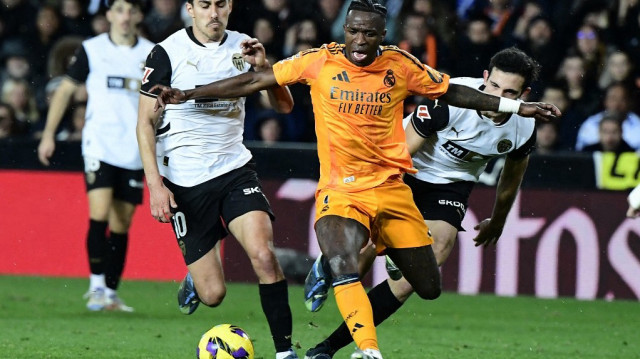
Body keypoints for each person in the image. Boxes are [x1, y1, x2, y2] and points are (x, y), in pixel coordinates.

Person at [151, 2, 560, 358]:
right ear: (343, 30)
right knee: (347, 259)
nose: (360, 40)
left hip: (404, 187)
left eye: (369, 33)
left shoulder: (400, 65)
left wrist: (516, 113)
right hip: (355, 183)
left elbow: (464, 109)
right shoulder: (319, 60)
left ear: (383, 36)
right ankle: (360, 348)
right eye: (353, 31)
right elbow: (254, 81)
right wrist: (191, 94)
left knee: (428, 284)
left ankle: (341, 273)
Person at [302, 47, 542, 359]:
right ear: (484, 78)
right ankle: (331, 263)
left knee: (420, 269)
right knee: (357, 262)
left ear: (524, 94)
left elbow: (511, 178)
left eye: (510, 92)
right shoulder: (452, 100)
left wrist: (498, 221)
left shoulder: (524, 126)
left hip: (452, 185)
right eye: (494, 86)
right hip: (400, 168)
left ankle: (327, 350)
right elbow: (402, 151)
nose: (499, 97)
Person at [135, 1, 298, 358]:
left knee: (264, 256)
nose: (214, 13)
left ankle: (285, 352)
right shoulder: (166, 53)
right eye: (205, 5)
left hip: (234, 171)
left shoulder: (245, 47)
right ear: (190, 9)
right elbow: (144, 123)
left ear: (230, 7)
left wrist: (266, 68)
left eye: (220, 4)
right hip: (184, 180)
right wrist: (156, 186)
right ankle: (198, 279)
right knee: (213, 295)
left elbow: (283, 106)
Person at [37, 0, 154, 312]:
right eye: (119, 10)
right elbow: (64, 90)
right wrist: (49, 134)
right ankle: (96, 286)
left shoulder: (152, 53)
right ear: (108, 16)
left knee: (122, 222)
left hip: (134, 149)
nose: (125, 17)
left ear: (139, 16)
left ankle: (112, 293)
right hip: (99, 144)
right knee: (99, 212)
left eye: (131, 11)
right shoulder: (92, 49)